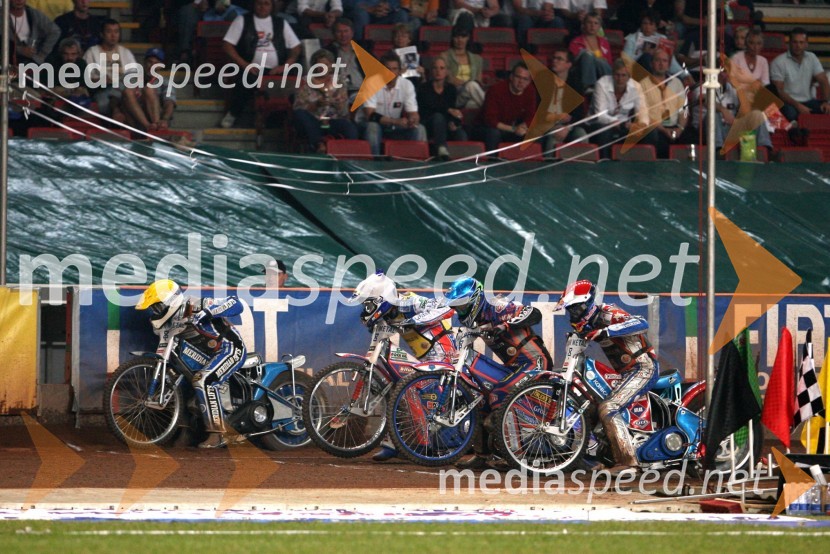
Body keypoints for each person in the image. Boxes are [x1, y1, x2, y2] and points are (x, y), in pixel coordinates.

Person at [445, 276, 552, 470]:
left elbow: (534, 313)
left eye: (462, 307)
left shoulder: (499, 307)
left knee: (499, 394)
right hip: (514, 368)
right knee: (479, 397)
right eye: (457, 308)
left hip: (535, 362)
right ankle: (482, 455)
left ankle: (516, 457)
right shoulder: (475, 320)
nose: (460, 312)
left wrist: (505, 326)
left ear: (475, 299)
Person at [351, 271, 457, 462]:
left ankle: (423, 445)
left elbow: (447, 308)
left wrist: (416, 319)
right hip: (424, 359)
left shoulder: (409, 302)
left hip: (444, 355)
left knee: (409, 389)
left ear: (382, 298)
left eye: (369, 302)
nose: (366, 307)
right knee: (398, 387)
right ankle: (398, 443)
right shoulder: (387, 312)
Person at [555, 279, 658, 476]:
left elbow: (641, 323)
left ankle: (629, 463)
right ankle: (595, 459)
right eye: (570, 310)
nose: (573, 314)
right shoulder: (587, 325)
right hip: (625, 373)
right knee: (591, 404)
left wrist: (607, 331)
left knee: (609, 407)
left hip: (643, 368)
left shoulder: (608, 313)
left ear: (586, 305)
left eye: (575, 309)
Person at [135, 279, 247, 449]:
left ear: (169, 302)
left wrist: (208, 312)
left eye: (157, 307)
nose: (155, 311)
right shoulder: (168, 323)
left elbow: (236, 303)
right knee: (180, 383)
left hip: (230, 349)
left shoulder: (195, 304)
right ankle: (186, 431)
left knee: (203, 381)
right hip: (206, 357)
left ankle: (218, 435)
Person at [220, 0, 302, 128]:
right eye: (259, 3)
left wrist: (286, 65)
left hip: (276, 70)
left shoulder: (280, 23)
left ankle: (284, 121)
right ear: (254, 5)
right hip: (250, 68)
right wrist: (244, 64)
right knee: (245, 79)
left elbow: (296, 47)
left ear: (271, 6)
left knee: (295, 78)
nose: (263, 6)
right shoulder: (242, 20)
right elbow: (227, 45)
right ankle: (233, 114)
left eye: (266, 3)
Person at [361, 52, 427, 156]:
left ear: (400, 71)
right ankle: (373, 163)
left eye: (394, 69)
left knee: (419, 129)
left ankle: (416, 165)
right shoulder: (370, 83)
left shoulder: (407, 85)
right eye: (387, 68)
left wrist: (413, 120)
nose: (391, 72)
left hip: (395, 126)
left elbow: (413, 112)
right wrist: (395, 121)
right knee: (372, 127)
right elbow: (370, 115)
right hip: (375, 124)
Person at [292, 48, 357, 152]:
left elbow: (343, 108)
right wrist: (316, 104)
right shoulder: (305, 82)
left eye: (326, 65)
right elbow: (298, 106)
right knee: (300, 114)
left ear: (331, 66)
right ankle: (318, 145)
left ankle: (349, 154)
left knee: (349, 127)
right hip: (314, 120)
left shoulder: (340, 81)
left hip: (333, 120)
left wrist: (330, 100)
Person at [587, 58, 649, 159]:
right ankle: (604, 164)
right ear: (612, 74)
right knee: (605, 131)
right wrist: (619, 123)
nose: (620, 79)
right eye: (617, 75)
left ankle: (640, 166)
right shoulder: (601, 84)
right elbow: (600, 116)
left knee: (648, 132)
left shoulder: (636, 87)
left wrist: (639, 125)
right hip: (599, 124)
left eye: (623, 75)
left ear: (629, 76)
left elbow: (643, 113)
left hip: (624, 125)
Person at [475, 61, 538, 153]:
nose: (521, 82)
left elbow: (531, 115)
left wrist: (523, 127)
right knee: (494, 133)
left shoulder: (530, 91)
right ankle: (491, 161)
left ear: (529, 81)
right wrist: (514, 129)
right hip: (485, 127)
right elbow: (490, 120)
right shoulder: (496, 90)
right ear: (511, 77)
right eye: (518, 77)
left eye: (525, 79)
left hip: (511, 127)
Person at [770, 27, 830, 122]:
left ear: (806, 44)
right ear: (789, 43)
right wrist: (798, 106)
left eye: (801, 42)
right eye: (795, 42)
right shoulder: (779, 62)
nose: (798, 45)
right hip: (788, 103)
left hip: (808, 101)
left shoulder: (812, 57)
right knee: (791, 114)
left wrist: (826, 102)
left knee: (826, 109)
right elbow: (779, 92)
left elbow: (823, 80)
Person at [83, 19, 138, 116]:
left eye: (116, 32)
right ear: (102, 34)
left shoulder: (125, 52)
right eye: (109, 32)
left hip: (123, 89)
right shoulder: (92, 52)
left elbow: (133, 76)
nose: (113, 35)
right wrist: (101, 80)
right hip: (103, 90)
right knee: (103, 104)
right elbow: (86, 78)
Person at [639, 47, 686, 158]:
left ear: (668, 65)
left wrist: (680, 128)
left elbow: (683, 110)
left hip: (675, 127)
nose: (661, 64)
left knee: (691, 140)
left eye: (664, 61)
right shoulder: (643, 84)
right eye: (657, 60)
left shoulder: (677, 82)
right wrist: (664, 130)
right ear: (651, 63)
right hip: (655, 128)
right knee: (656, 138)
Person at [417, 57, 467, 160]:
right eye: (435, 68)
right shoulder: (424, 88)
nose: (438, 71)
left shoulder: (451, 89)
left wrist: (452, 122)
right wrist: (448, 110)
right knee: (438, 117)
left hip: (445, 124)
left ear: (447, 71)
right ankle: (441, 148)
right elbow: (430, 106)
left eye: (442, 68)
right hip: (428, 123)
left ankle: (462, 163)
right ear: (431, 71)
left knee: (461, 133)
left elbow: (452, 109)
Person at [116, 48, 177, 131]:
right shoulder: (130, 76)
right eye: (150, 62)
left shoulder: (165, 82)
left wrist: (165, 119)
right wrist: (116, 112)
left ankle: (156, 127)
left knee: (149, 90)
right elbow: (114, 96)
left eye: (156, 63)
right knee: (128, 91)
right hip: (131, 119)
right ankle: (148, 127)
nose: (152, 66)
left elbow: (169, 102)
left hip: (154, 118)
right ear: (144, 63)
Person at [544, 48, 587, 154]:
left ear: (568, 64)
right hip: (548, 124)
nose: (554, 61)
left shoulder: (576, 83)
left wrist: (567, 127)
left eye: (559, 59)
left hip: (569, 125)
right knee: (554, 137)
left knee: (581, 135)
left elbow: (579, 113)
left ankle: (580, 167)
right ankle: (548, 165)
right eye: (554, 58)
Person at [440, 24, 485, 109]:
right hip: (455, 94)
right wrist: (467, 84)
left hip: (471, 94)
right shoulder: (445, 56)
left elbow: (478, 81)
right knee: (471, 85)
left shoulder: (477, 59)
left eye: (463, 37)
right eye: (456, 37)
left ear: (468, 38)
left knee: (472, 104)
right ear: (452, 38)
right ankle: (495, 109)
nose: (460, 40)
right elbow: (450, 79)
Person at [5, 0, 60, 64]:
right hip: (7, 61)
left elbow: (55, 31)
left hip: (33, 62)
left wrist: (42, 54)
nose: (19, 1)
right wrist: (20, 50)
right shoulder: (2, 16)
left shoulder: (33, 14)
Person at [568, 11, 612, 92]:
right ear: (584, 25)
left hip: (601, 72)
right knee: (587, 54)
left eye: (596, 23)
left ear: (599, 27)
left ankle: (610, 86)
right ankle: (589, 86)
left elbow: (608, 62)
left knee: (600, 61)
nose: (592, 26)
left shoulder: (604, 42)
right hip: (581, 74)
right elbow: (573, 63)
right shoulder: (575, 42)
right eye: (589, 22)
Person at [326, 18, 364, 99]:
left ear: (352, 33)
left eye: (346, 31)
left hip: (362, 90)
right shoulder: (328, 52)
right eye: (339, 32)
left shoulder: (363, 50)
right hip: (338, 91)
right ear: (333, 34)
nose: (343, 35)